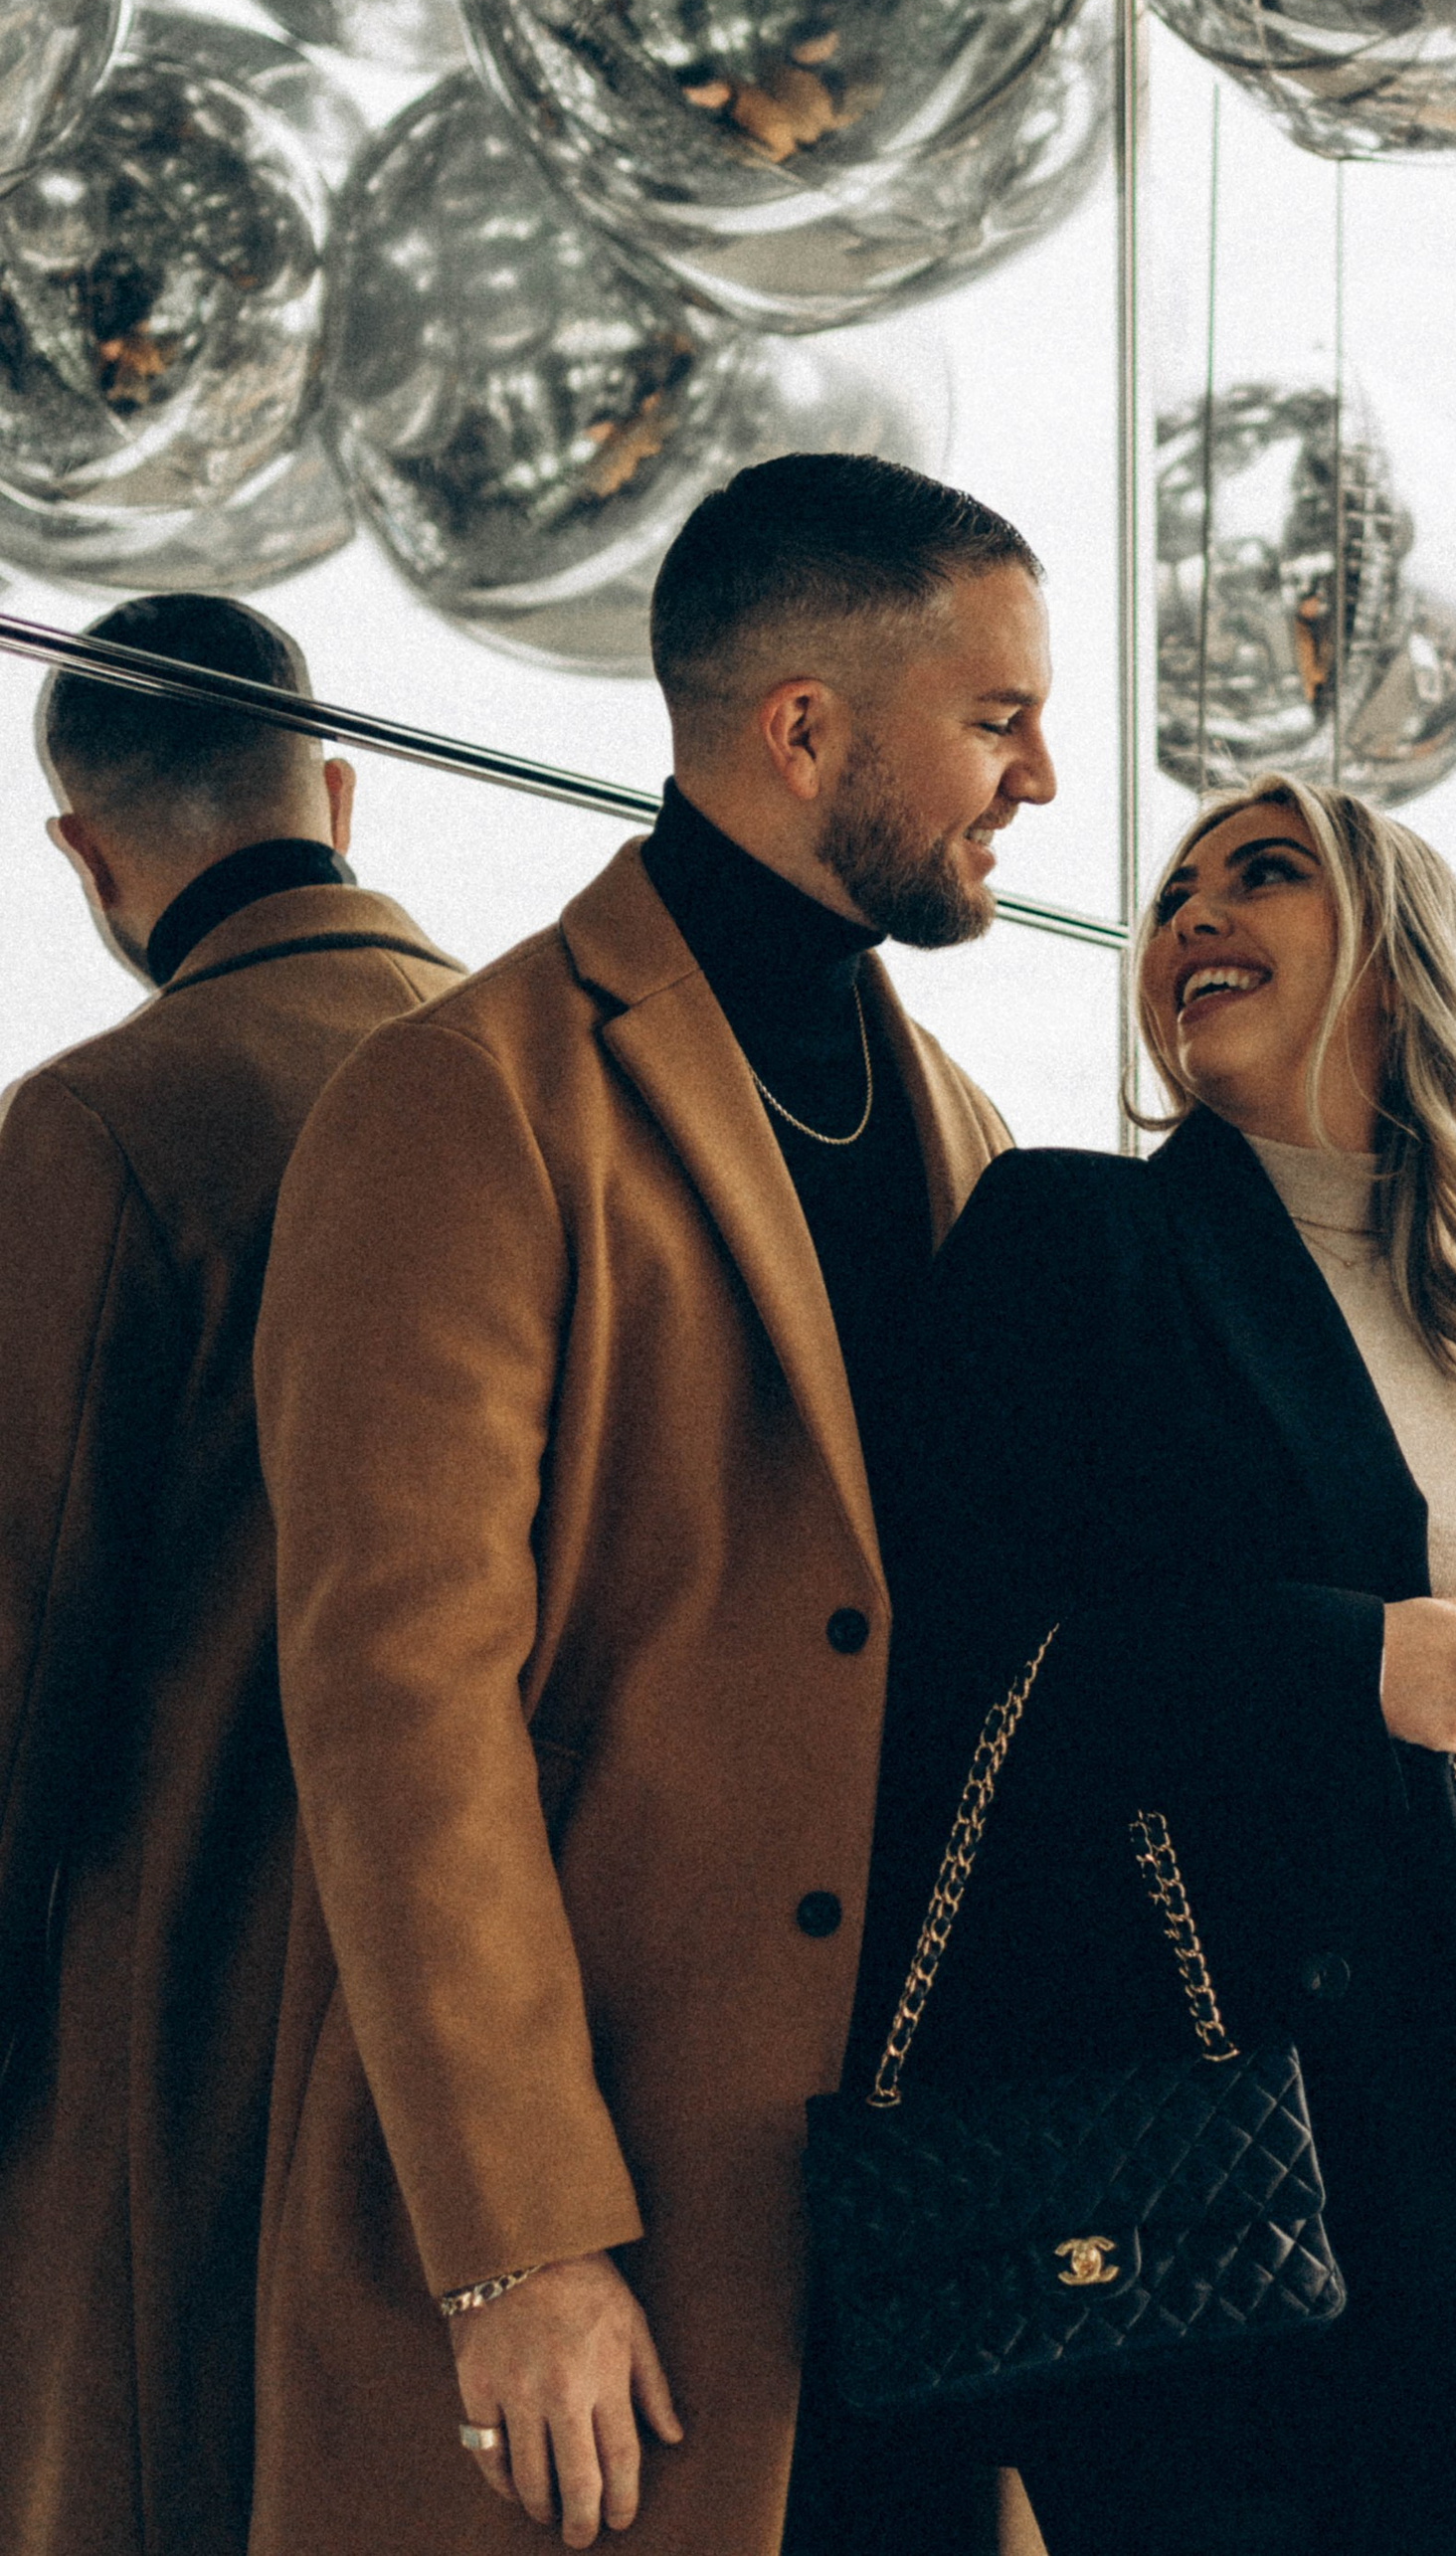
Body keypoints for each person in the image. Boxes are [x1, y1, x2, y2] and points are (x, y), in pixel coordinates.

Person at [250, 456, 1055, 2556]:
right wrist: (520, 2243)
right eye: (995, 717)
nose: (1039, 777)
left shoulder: (956, 1115)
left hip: (919, 2241)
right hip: (616, 2249)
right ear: (805, 728)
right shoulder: (460, 1098)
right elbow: (395, 1706)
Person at [852, 775, 1456, 2556]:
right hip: (1234, 2140)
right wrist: (1335, 1664)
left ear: (1399, 970)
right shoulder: (1075, 1242)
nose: (1196, 916)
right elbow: (950, 1667)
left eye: (1265, 875)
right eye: (1176, 893)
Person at [0, 592, 461, 2556]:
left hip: (181, 2033)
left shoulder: (117, 1118)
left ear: (83, 854)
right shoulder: (569, 1090)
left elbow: (18, 1654)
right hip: (535, 2072)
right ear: (339, 789)